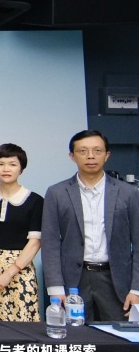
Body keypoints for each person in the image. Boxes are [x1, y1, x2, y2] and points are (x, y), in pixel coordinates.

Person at [42, 130, 139, 321]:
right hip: (74, 282)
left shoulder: (129, 193)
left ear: (107, 155)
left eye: (97, 150)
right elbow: (50, 242)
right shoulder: (57, 193)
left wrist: (136, 289)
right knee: (76, 337)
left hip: (117, 281)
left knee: (117, 338)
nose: (90, 156)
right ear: (72, 156)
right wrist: (55, 288)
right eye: (83, 151)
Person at [0, 143, 43, 322]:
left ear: (21, 168)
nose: (6, 169)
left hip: (20, 270)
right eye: (0, 164)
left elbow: (35, 242)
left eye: (12, 164)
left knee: (22, 324)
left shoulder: (35, 201)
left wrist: (9, 273)